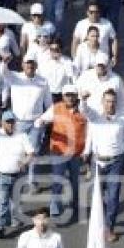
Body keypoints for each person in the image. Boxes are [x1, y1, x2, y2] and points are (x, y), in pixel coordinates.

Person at [82, 89, 124, 242]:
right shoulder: (95, 117)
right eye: (107, 101)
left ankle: (109, 227)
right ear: (102, 102)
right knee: (97, 196)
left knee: (113, 197)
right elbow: (84, 111)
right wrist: (83, 100)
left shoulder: (123, 120)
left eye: (112, 101)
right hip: (97, 162)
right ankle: (100, 224)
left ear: (116, 103)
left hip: (116, 162)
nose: (110, 104)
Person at [34, 84, 87, 218]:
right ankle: (55, 207)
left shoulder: (84, 109)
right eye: (67, 95)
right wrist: (40, 122)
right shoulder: (56, 108)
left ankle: (75, 204)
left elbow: (91, 129)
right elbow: (41, 119)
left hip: (76, 152)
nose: (69, 98)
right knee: (58, 179)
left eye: (72, 95)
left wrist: (87, 150)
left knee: (74, 180)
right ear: (63, 96)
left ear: (76, 96)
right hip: (59, 151)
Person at [0, 110, 36, 238]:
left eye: (12, 122)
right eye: (8, 122)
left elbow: (31, 153)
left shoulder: (22, 135)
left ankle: (14, 220)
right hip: (1, 175)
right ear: (2, 123)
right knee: (2, 202)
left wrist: (25, 162)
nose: (10, 124)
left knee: (15, 201)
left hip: (18, 175)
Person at [2, 54, 53, 189]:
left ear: (36, 66)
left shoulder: (43, 81)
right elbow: (4, 72)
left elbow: (49, 104)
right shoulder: (15, 77)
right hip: (18, 122)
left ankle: (32, 181)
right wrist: (4, 63)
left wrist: (43, 119)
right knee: (18, 150)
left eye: (32, 64)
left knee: (33, 152)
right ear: (22, 65)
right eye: (27, 63)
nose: (29, 66)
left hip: (36, 122)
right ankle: (15, 178)